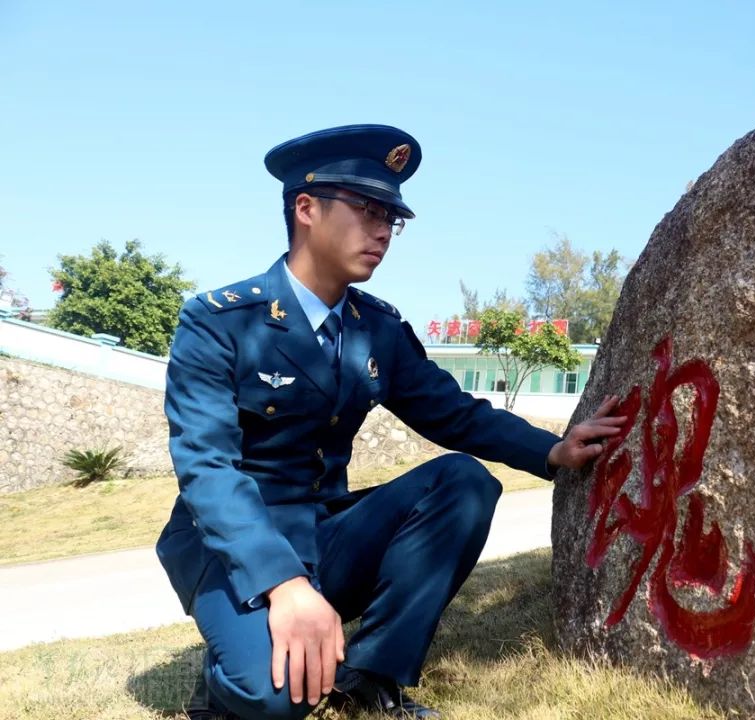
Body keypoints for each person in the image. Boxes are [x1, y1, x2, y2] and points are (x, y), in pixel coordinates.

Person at [157, 124, 624, 720]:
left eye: (392, 218)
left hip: (327, 534)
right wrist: (285, 585)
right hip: (232, 545)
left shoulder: (375, 326)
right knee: (275, 700)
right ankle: (225, 678)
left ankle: (372, 676)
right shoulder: (219, 322)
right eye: (367, 210)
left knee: (463, 482)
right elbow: (208, 470)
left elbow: (450, 412)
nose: (383, 230)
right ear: (306, 208)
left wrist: (553, 450)